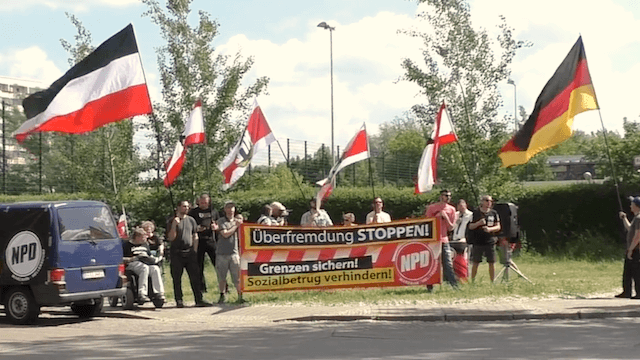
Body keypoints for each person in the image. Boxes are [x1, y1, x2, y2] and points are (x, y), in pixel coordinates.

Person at [166, 200, 211, 307]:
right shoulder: (171, 220)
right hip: (176, 253)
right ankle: (179, 300)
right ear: (178, 207)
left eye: (187, 206)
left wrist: (195, 250)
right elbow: (170, 238)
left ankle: (199, 299)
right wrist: (173, 226)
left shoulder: (191, 220)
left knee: (195, 277)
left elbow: (195, 235)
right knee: (177, 278)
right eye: (184, 206)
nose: (186, 208)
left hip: (190, 252)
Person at [425, 189, 458, 289]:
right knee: (431, 264)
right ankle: (430, 287)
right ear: (441, 196)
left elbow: (451, 227)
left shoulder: (451, 209)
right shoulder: (432, 207)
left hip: (444, 239)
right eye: (446, 195)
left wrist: (446, 218)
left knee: (447, 263)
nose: (448, 197)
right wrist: (436, 216)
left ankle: (454, 285)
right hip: (432, 240)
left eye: (449, 196)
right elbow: (427, 223)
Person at [122, 227, 165, 304]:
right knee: (144, 268)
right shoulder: (127, 245)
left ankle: (159, 293)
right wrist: (132, 259)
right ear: (137, 237)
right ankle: (142, 293)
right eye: (144, 237)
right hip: (133, 263)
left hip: (146, 262)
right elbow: (122, 259)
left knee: (155, 268)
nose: (146, 238)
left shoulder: (145, 245)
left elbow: (149, 255)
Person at [188, 194, 220, 293]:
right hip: (199, 241)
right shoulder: (193, 212)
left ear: (209, 201)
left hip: (211, 240)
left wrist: (216, 226)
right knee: (199, 265)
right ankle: (201, 287)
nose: (204, 204)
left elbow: (219, 223)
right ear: (198, 202)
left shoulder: (213, 211)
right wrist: (196, 228)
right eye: (202, 202)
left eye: (205, 202)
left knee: (217, 264)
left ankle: (223, 285)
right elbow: (189, 224)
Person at [216, 201, 244, 304]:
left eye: (232, 207)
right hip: (222, 253)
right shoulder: (221, 221)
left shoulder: (238, 221)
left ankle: (240, 296)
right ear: (225, 209)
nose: (230, 210)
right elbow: (225, 234)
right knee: (222, 277)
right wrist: (236, 226)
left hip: (234, 252)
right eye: (228, 207)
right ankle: (222, 295)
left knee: (237, 277)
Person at [468, 195, 501, 282]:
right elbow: (470, 226)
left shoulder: (494, 213)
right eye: (487, 200)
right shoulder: (475, 213)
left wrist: (490, 229)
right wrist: (478, 223)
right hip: (478, 241)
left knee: (491, 262)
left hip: (490, 241)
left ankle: (492, 281)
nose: (489, 202)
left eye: (490, 201)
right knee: (476, 262)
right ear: (482, 201)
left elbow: (498, 226)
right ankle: (473, 281)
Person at [616, 196, 640, 298]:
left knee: (636, 272)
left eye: (632, 204)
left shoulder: (639, 218)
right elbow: (630, 228)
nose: (630, 206)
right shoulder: (636, 218)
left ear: (636, 206)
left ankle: (639, 293)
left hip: (636, 249)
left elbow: (638, 235)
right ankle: (627, 292)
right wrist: (624, 218)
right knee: (628, 272)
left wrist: (631, 249)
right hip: (632, 249)